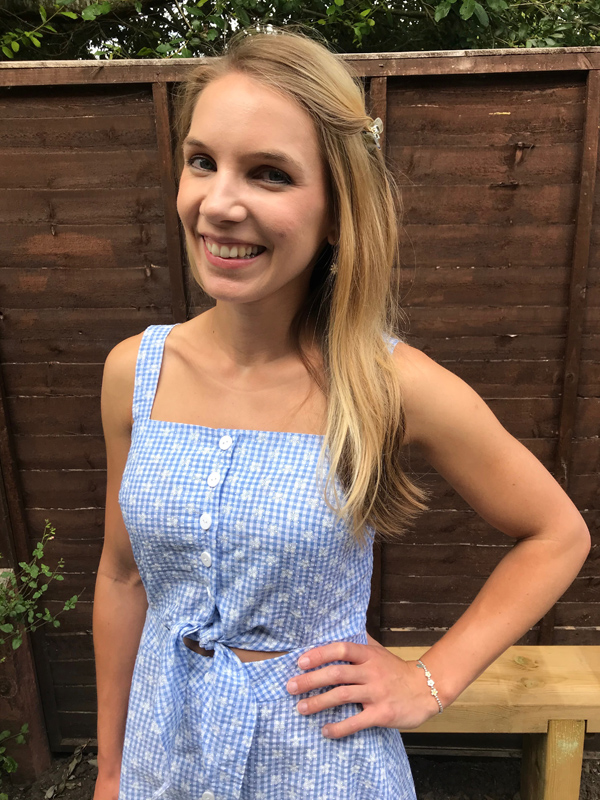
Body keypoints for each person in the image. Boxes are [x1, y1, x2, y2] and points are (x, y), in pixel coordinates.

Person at [92, 25, 591, 800]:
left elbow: (557, 534)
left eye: (269, 174)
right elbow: (123, 577)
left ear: (336, 208)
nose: (218, 204)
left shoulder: (387, 384)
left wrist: (430, 678)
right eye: (202, 161)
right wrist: (111, 770)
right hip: (166, 760)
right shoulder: (135, 373)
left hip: (321, 766)